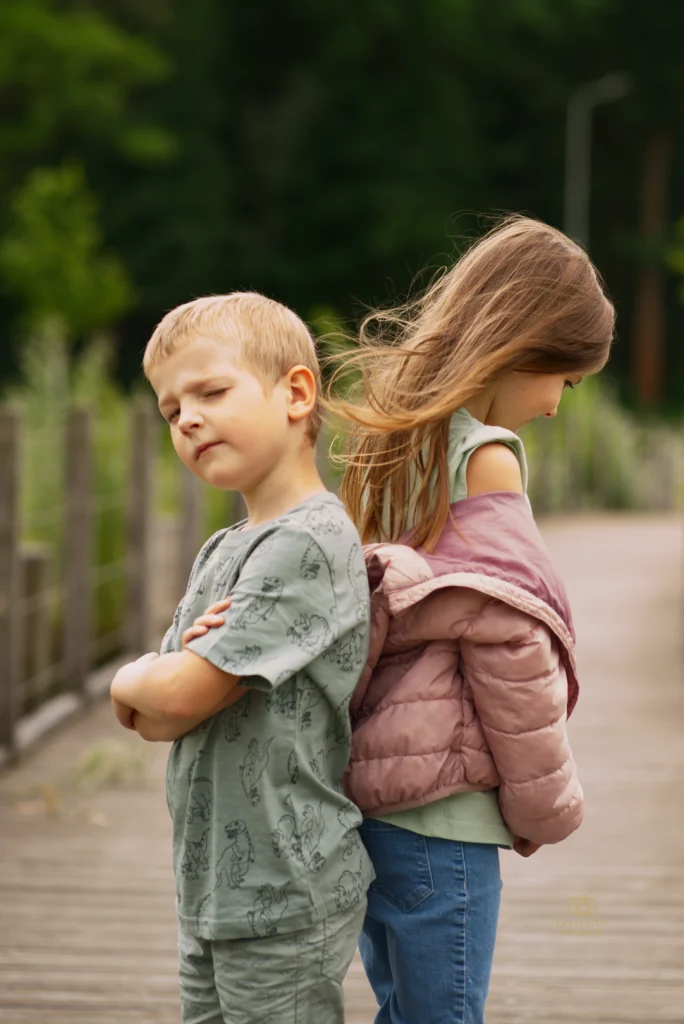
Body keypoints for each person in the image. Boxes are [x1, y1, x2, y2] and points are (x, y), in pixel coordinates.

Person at [324, 215, 616, 1024]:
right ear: (526, 348)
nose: (559, 407)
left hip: (374, 795)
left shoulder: (398, 439)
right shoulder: (486, 453)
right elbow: (507, 636)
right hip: (445, 813)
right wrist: (547, 801)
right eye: (568, 380)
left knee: (400, 1010)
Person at [109, 293, 374, 1024]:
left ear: (295, 393)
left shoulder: (307, 543)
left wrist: (126, 675)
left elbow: (177, 696)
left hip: (284, 892)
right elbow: (153, 721)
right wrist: (150, 687)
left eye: (211, 392)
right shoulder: (222, 550)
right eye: (170, 411)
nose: (187, 418)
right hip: (212, 890)